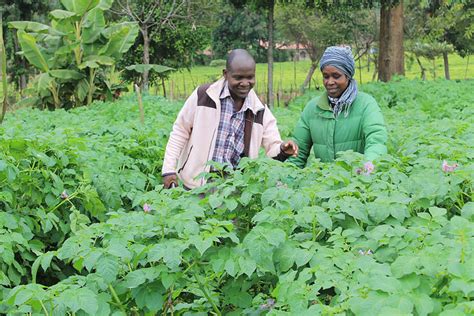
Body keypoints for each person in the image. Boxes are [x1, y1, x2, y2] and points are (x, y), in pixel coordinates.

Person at [162, 49, 298, 189]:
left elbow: (272, 146)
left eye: (250, 77)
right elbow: (180, 131)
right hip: (196, 184)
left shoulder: (259, 110)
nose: (245, 83)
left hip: (233, 189)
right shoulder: (204, 96)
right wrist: (168, 170)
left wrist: (282, 148)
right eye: (238, 77)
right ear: (226, 74)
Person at [288, 46, 387, 168]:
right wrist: (286, 179)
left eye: (336, 76)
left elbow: (376, 140)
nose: (330, 82)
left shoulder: (366, 104)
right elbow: (298, 153)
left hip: (359, 182)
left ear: (348, 76)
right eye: (326, 76)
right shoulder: (313, 109)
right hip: (323, 183)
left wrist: (369, 167)